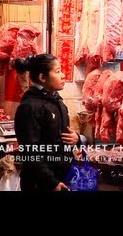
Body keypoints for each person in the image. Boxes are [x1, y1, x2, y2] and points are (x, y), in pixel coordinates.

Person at [13, 53, 85, 191]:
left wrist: (76, 139)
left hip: (61, 177)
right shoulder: (29, 107)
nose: (63, 75)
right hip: (40, 183)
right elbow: (30, 152)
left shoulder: (56, 100)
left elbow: (59, 135)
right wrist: (51, 182)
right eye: (57, 72)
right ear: (42, 77)